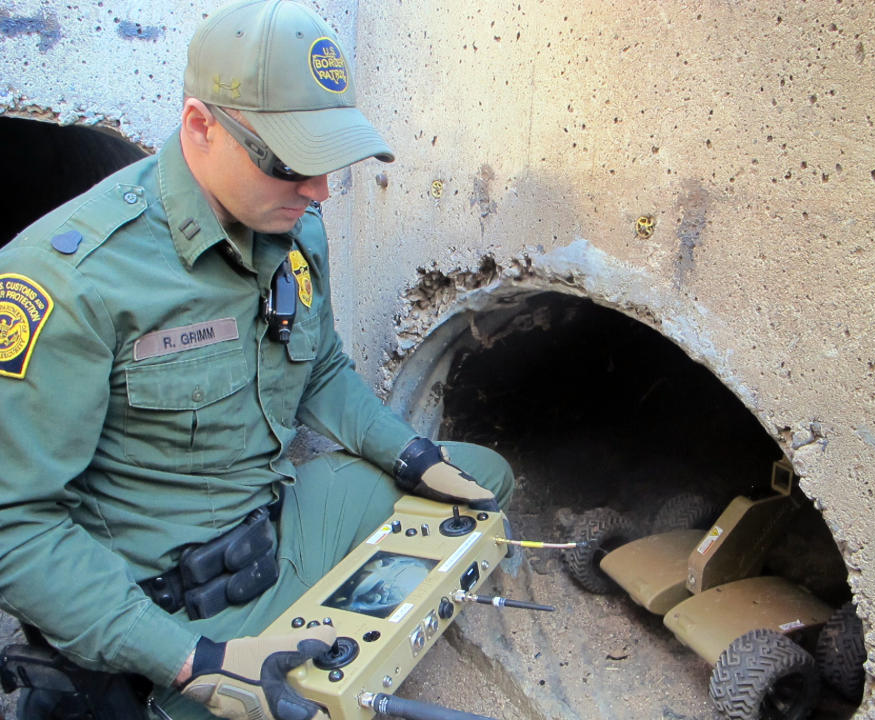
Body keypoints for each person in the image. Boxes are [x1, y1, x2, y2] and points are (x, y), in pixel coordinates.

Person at [0, 1, 514, 719]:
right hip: (174, 609)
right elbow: (14, 525)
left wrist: (411, 456)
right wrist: (190, 663)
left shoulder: (295, 226)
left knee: (480, 482)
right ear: (201, 126)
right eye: (292, 162)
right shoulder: (73, 278)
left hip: (276, 530)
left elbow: (324, 368)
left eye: (331, 160)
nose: (320, 191)